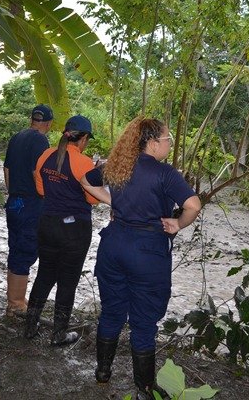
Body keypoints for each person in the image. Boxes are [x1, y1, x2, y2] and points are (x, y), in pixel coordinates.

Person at [81, 118, 202, 399]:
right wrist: (177, 224)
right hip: (147, 252)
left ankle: (103, 373)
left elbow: (86, 180)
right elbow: (193, 205)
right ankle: (144, 388)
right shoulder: (165, 173)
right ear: (152, 142)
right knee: (144, 322)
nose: (169, 144)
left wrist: (116, 203)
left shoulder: (117, 166)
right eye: (167, 139)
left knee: (112, 312)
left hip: (113, 245)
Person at [24, 114, 99, 346]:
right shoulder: (85, 163)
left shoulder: (46, 155)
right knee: (67, 281)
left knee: (45, 274)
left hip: (48, 223)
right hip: (74, 229)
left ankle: (29, 326)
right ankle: (59, 333)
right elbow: (93, 199)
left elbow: (41, 190)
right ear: (83, 138)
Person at [3, 104, 53, 316]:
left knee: (15, 247)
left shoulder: (17, 136)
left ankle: (15, 299)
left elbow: (6, 169)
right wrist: (47, 196)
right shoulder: (41, 140)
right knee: (26, 249)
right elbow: (37, 172)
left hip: (14, 200)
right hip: (31, 202)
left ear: (32, 119)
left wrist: (13, 190)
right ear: (48, 123)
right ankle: (16, 303)